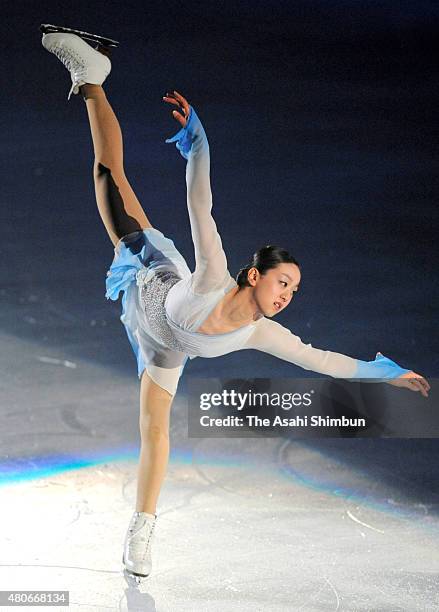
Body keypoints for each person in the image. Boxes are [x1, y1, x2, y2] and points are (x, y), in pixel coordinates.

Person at [41, 31, 430, 583]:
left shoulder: (260, 334)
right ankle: (93, 78)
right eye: (282, 282)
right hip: (151, 271)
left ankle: (142, 527)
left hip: (164, 346)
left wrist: (388, 374)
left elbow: (325, 362)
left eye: (294, 291)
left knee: (155, 431)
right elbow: (200, 200)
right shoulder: (212, 275)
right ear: (254, 274)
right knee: (108, 176)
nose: (287, 296)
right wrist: (197, 141)